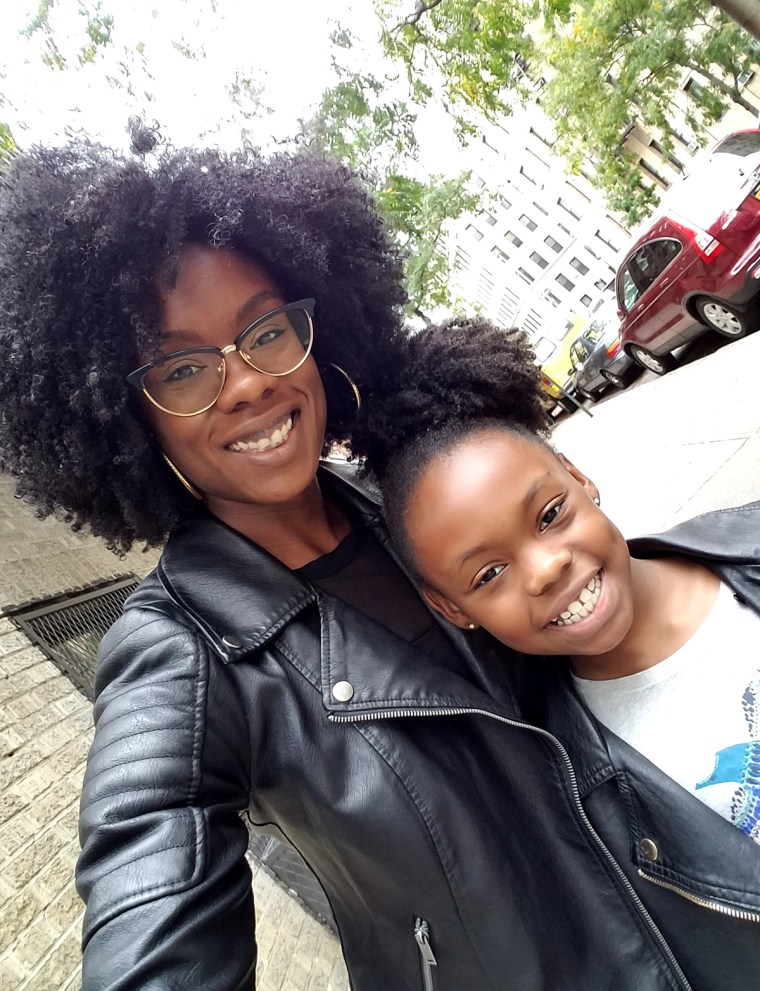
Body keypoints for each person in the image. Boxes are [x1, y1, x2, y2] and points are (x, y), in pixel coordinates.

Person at [0, 127, 736, 991]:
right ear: (130, 421)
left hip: (698, 913)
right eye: (184, 370)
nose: (244, 382)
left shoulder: (407, 495)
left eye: (265, 332)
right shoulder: (178, 659)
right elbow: (149, 907)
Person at [352, 316, 760, 990]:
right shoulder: (573, 808)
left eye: (548, 515)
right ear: (453, 609)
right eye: (487, 575)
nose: (543, 570)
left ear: (576, 475)